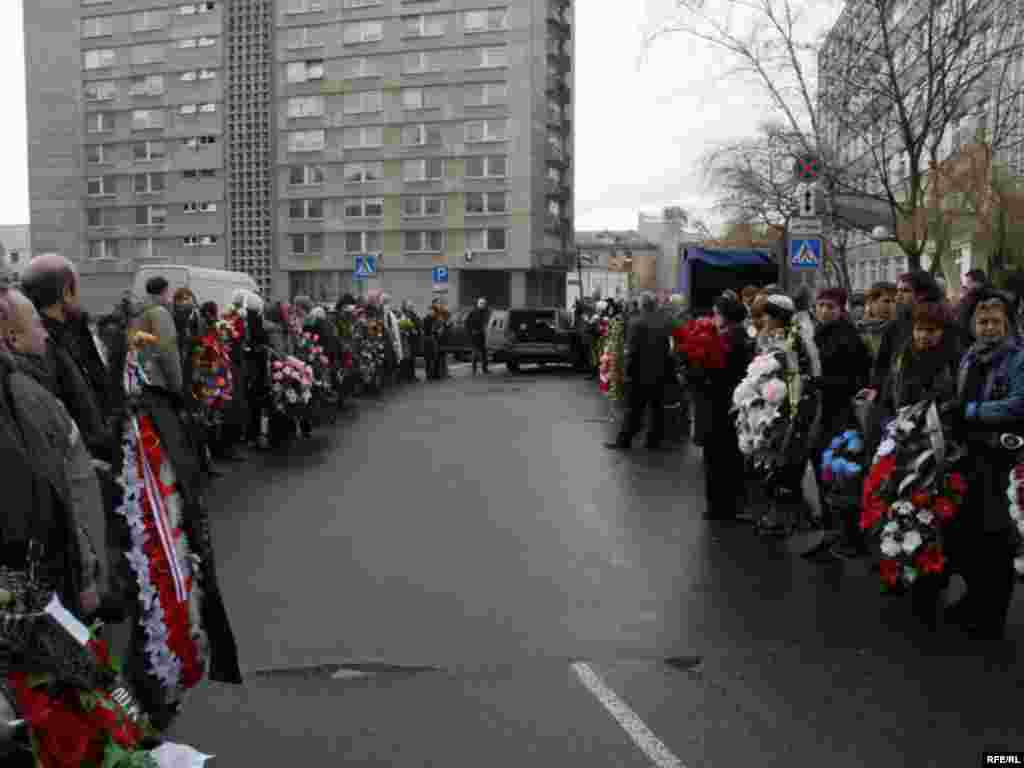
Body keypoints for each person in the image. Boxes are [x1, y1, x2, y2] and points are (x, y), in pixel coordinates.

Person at [946, 288, 1022, 640]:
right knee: (968, 531)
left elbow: (1018, 404)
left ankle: (993, 611)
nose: (988, 328)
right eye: (982, 322)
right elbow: (961, 396)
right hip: (969, 451)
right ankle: (975, 598)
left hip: (1000, 454)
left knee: (994, 537)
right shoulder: (970, 356)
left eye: (995, 322)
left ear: (1007, 325)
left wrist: (972, 411)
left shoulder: (1017, 358)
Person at [19, 253, 111, 462]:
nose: (80, 296)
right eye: (77, 288)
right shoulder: (45, 345)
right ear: (66, 292)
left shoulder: (71, 331)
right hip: (84, 460)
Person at [810, 287, 871, 547]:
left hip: (841, 415)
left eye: (830, 307)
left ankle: (847, 534)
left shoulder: (848, 337)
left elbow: (855, 380)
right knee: (824, 470)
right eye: (821, 305)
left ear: (841, 309)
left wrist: (819, 382)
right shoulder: (815, 334)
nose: (824, 311)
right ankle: (831, 530)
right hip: (820, 413)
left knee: (839, 473)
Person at [699, 295, 753, 519]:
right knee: (729, 457)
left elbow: (718, 374)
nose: (713, 318)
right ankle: (727, 504)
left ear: (725, 316)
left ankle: (721, 506)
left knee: (720, 457)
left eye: (716, 313)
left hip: (722, 405)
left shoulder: (727, 340)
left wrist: (697, 371)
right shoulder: (739, 336)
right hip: (732, 405)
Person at [606, 292, 674, 451]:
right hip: (660, 373)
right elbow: (668, 348)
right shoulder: (664, 322)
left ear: (642, 305)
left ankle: (624, 440)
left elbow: (632, 352)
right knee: (657, 410)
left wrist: (628, 374)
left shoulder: (636, 323)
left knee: (634, 409)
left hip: (639, 374)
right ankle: (653, 441)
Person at [857, 281, 897, 363]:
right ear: (871, 303)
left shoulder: (899, 330)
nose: (892, 306)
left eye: (894, 301)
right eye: (886, 301)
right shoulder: (858, 331)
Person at [466, 297, 491, 374]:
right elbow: (467, 323)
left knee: (484, 353)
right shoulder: (473, 312)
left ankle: (485, 369)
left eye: (483, 303)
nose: (482, 305)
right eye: (481, 303)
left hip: (484, 335)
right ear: (477, 304)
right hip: (475, 335)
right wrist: (471, 332)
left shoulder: (487, 312)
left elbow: (489, 322)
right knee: (475, 353)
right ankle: (474, 369)